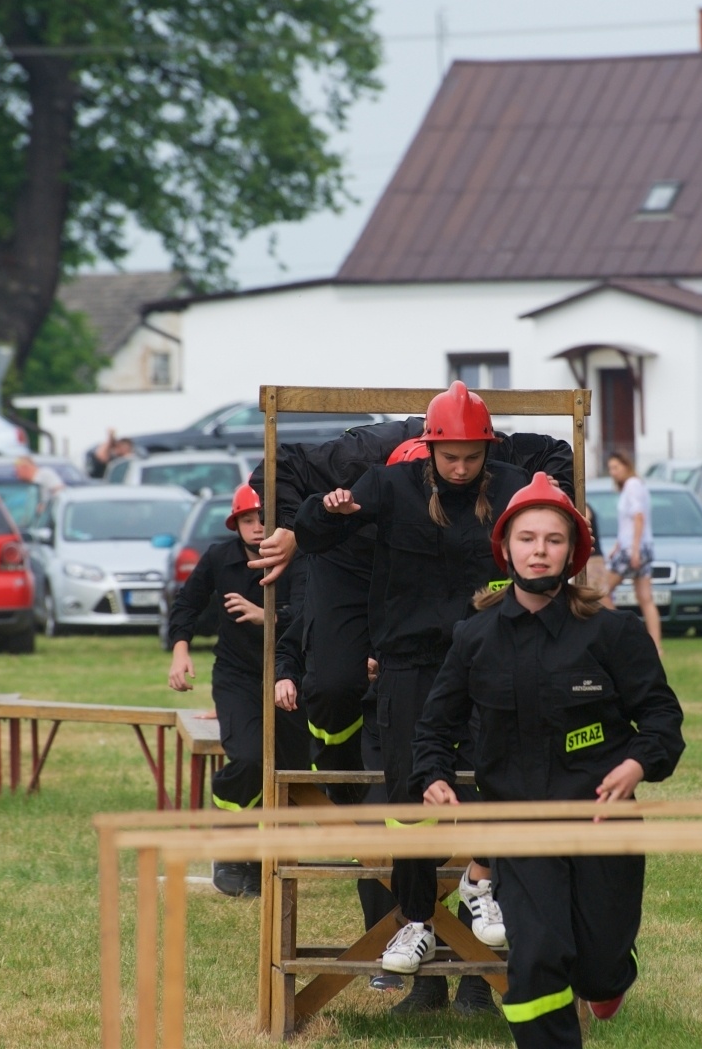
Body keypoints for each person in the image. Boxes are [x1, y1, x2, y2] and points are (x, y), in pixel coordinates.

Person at [411, 472, 685, 1049]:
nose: (540, 551)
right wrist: (434, 775)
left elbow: (662, 723)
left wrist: (637, 764)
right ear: (506, 548)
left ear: (574, 551)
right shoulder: (475, 637)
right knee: (536, 957)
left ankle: (610, 974)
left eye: (554, 539)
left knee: (597, 969)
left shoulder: (614, 634)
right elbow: (435, 727)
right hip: (519, 827)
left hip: (602, 826)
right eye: (528, 538)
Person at [292, 381, 530, 1016]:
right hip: (407, 662)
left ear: (487, 449)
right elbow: (311, 534)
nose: (459, 468)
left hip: (485, 657)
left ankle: (485, 879)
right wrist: (329, 508)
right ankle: (418, 918)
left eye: (470, 457)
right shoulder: (389, 485)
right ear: (428, 449)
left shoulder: (510, 487)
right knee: (408, 790)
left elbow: (552, 530)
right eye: (448, 456)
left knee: (496, 772)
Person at [166, 482, 308, 896]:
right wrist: (180, 652)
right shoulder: (219, 557)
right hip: (238, 678)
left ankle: (264, 858)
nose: (258, 527)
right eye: (248, 519)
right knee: (247, 758)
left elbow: (308, 613)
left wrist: (267, 616)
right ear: (236, 524)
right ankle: (229, 851)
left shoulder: (301, 559)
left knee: (290, 765)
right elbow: (186, 604)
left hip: (291, 675)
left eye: (265, 518)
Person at [599, 451, 662, 652]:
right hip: (640, 547)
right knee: (646, 598)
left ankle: (624, 636)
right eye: (610, 469)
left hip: (633, 549)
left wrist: (633, 549)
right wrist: (617, 546)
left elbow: (638, 517)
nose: (613, 472)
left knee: (601, 591)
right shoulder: (636, 485)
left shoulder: (632, 486)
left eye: (616, 467)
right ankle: (656, 648)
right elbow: (627, 523)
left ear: (626, 466)